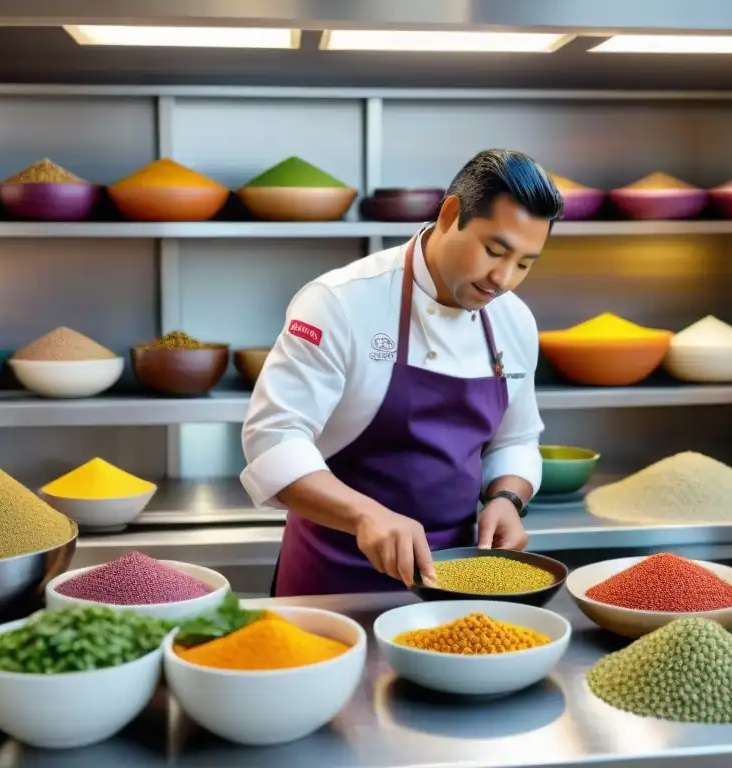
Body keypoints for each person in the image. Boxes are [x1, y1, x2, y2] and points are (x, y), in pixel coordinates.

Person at [240, 148, 564, 597]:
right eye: (494, 251)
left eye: (525, 264)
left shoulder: (514, 321)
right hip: (335, 577)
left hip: (456, 580)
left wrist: (507, 499)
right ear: (451, 214)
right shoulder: (339, 302)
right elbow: (274, 439)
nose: (504, 278)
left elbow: (516, 439)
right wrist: (364, 515)